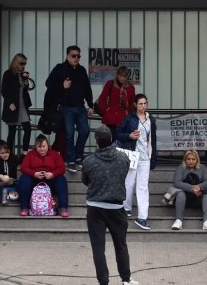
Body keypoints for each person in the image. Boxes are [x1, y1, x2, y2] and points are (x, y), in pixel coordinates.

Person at [82, 126, 139, 285]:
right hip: (116, 208)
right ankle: (126, 279)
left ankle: (103, 281)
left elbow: (86, 181)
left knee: (98, 247)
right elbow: (123, 175)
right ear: (112, 140)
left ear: (97, 142)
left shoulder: (88, 161)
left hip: (95, 208)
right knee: (121, 244)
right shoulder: (123, 158)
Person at [45, 45, 95, 173]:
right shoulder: (60, 68)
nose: (76, 58)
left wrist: (90, 104)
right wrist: (62, 85)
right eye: (73, 56)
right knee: (69, 134)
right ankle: (71, 161)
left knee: (85, 131)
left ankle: (78, 157)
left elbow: (87, 88)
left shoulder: (82, 70)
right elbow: (48, 83)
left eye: (78, 56)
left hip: (80, 106)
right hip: (66, 107)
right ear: (67, 56)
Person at [116, 93, 157, 230]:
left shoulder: (151, 119)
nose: (143, 106)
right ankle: (126, 208)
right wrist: (129, 136)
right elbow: (118, 134)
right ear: (135, 104)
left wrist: (153, 158)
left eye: (145, 103)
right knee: (129, 182)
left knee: (143, 187)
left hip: (145, 156)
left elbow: (153, 140)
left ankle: (142, 217)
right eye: (140, 103)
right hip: (132, 155)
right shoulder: (129, 118)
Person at [18, 134, 69, 217]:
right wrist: (34, 174)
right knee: (24, 179)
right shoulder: (30, 154)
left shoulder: (55, 154)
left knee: (61, 179)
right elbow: (23, 168)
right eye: (39, 147)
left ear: (48, 145)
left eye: (44, 146)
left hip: (50, 180)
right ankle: (24, 207)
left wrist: (52, 174)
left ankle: (63, 208)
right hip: (35, 180)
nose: (42, 149)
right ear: (36, 147)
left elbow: (62, 168)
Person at [171, 150, 207, 231]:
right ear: (185, 159)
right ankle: (178, 220)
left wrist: (199, 188)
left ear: (197, 160)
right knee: (180, 194)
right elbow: (177, 182)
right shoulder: (181, 168)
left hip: (199, 197)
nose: (191, 161)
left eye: (193, 159)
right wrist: (192, 189)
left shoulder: (203, 168)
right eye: (188, 159)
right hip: (184, 198)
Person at [1, 53, 33, 156]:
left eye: (24, 63)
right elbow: (4, 90)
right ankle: (9, 154)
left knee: (27, 128)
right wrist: (9, 103)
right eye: (21, 63)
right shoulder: (8, 74)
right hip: (13, 105)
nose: (23, 66)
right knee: (12, 131)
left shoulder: (22, 74)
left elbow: (26, 89)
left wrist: (26, 81)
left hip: (22, 104)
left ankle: (25, 152)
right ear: (16, 63)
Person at [97, 66, 136, 140]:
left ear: (127, 77)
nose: (122, 78)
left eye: (124, 76)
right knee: (112, 140)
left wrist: (130, 116)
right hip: (111, 117)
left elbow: (132, 103)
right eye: (120, 76)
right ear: (117, 75)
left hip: (124, 118)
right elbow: (102, 99)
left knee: (122, 140)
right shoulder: (110, 84)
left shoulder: (131, 87)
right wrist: (106, 112)